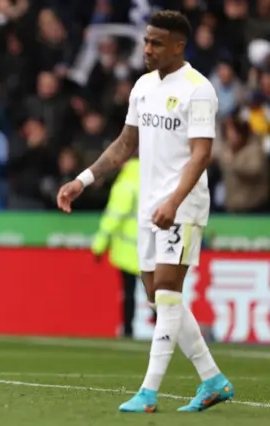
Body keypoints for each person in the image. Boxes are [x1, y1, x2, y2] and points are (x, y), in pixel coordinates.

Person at [57, 11, 234, 413]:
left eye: (156, 43)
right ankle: (213, 380)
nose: (147, 49)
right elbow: (123, 145)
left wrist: (173, 201)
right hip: (150, 206)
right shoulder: (142, 86)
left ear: (178, 46)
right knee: (158, 297)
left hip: (182, 204)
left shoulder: (198, 90)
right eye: (146, 41)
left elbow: (201, 154)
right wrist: (82, 180)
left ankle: (149, 392)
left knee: (169, 295)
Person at [90, 156, 140, 338]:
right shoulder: (155, 181)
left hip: (128, 249)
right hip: (153, 249)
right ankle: (165, 332)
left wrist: (99, 245)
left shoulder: (126, 184)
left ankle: (128, 329)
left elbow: (113, 217)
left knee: (129, 293)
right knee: (156, 294)